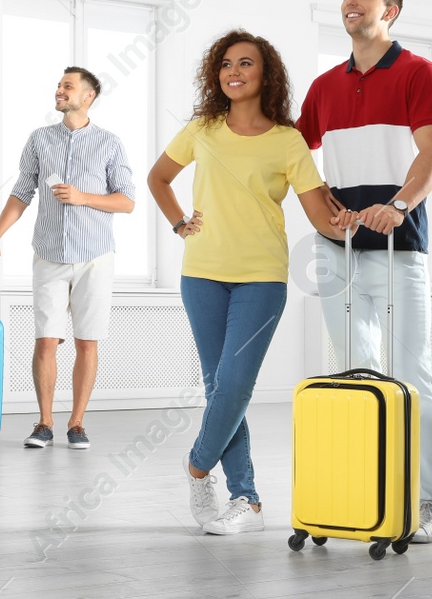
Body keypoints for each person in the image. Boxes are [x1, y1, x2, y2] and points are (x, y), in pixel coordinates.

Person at [146, 30, 341, 536]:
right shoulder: (203, 129)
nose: (234, 72)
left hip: (261, 278)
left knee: (233, 386)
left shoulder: (287, 140)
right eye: (226, 64)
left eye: (246, 64)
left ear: (265, 74)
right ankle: (246, 498)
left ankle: (196, 466)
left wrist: (370, 214)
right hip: (202, 275)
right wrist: (178, 222)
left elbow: (320, 213)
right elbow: (158, 178)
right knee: (219, 390)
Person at [296, 0, 432, 543]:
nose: (350, 0)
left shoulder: (419, 73)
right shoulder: (325, 87)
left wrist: (401, 203)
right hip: (337, 249)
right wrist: (322, 207)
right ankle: (369, 489)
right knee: (352, 373)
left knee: (411, 372)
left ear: (390, 10)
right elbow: (295, 154)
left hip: (397, 247)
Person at [0, 67, 135, 451]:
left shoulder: (110, 144)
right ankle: (45, 422)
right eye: (59, 85)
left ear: (88, 97)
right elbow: (21, 192)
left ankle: (77, 423)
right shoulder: (40, 140)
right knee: (46, 341)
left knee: (87, 342)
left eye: (68, 86)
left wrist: (84, 197)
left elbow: (127, 201)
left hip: (95, 256)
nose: (59, 91)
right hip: (48, 254)